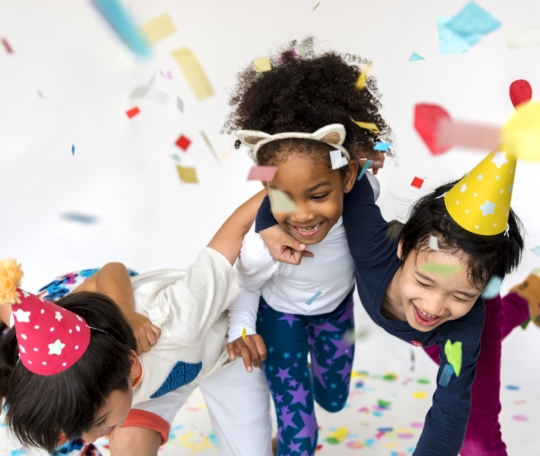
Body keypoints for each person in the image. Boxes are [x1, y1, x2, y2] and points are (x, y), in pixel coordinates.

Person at [256, 148, 525, 455]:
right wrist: (266, 222)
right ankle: (529, 299)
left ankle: (521, 300)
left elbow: (449, 411)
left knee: (477, 438)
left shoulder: (463, 328)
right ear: (401, 248)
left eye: (460, 295)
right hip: (433, 322)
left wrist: (462, 303)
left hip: (467, 324)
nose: (433, 307)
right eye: (424, 281)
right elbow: (307, 177)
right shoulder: (372, 243)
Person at [0, 190, 273, 456]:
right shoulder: (42, 373)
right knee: (128, 442)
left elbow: (231, 233)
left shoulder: (175, 319)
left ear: (130, 364)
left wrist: (282, 191)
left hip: (224, 353)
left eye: (97, 422)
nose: (93, 439)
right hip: (145, 381)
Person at [222, 40, 392, 456]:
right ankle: (297, 435)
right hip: (280, 320)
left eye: (318, 195)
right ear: (266, 188)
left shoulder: (363, 191)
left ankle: (318, 395)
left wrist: (373, 152)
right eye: (284, 196)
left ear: (348, 178)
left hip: (336, 311)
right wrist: (241, 328)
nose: (301, 215)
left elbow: (375, 162)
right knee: (299, 434)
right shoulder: (269, 240)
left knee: (334, 397)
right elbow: (245, 283)